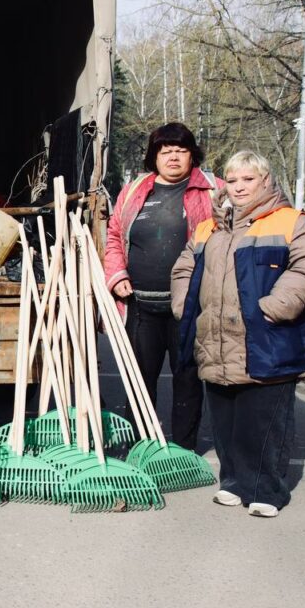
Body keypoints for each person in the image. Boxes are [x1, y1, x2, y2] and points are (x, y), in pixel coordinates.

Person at [172, 150, 305, 517]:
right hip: (216, 340)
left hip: (268, 339)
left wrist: (277, 305)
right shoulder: (209, 226)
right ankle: (234, 482)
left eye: (248, 179)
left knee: (264, 422)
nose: (239, 186)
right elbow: (184, 267)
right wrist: (186, 305)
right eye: (233, 179)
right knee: (227, 420)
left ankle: (266, 490)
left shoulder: (290, 221)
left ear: (265, 180)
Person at [103, 122, 223, 450]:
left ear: (192, 155)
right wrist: (117, 275)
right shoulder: (134, 191)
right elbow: (114, 237)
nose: (172, 157)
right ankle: (140, 447)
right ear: (154, 156)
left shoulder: (214, 190)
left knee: (188, 380)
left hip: (190, 307)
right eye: (165, 151)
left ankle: (184, 450)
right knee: (139, 380)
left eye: (180, 150)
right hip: (141, 305)